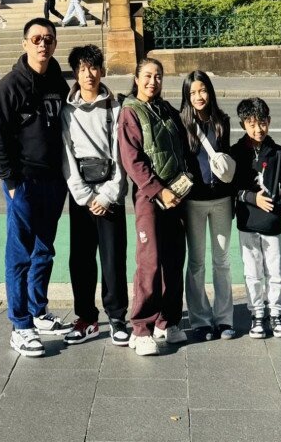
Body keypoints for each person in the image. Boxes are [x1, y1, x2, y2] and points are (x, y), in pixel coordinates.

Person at [0, 17, 70, 357]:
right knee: (20, 254)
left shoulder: (58, 82)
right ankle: (20, 325)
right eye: (36, 39)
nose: (42, 44)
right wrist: (10, 181)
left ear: (54, 44)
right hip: (23, 181)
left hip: (54, 179)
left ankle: (38, 310)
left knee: (44, 250)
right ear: (24, 44)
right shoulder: (9, 87)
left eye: (48, 39)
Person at [118, 57, 190, 356]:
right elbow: (132, 160)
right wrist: (159, 191)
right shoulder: (130, 112)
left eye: (158, 76)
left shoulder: (166, 110)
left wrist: (180, 186)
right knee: (149, 262)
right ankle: (141, 328)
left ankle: (167, 321)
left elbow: (182, 148)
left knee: (174, 260)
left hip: (176, 196)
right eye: (147, 76)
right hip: (150, 198)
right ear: (136, 78)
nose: (153, 81)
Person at [61, 44, 129, 347]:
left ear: (102, 70)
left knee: (113, 260)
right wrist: (86, 197)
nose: (88, 74)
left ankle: (117, 318)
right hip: (82, 197)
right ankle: (86, 318)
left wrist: (109, 195)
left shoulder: (116, 107)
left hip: (110, 195)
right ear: (75, 73)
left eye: (93, 67)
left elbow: (122, 155)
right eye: (82, 69)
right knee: (81, 260)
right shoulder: (68, 111)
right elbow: (66, 157)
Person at [230, 96, 281, 340]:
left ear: (269, 121)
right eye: (252, 124)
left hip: (272, 223)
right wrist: (251, 198)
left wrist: (279, 207)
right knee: (252, 272)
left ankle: (276, 313)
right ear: (243, 125)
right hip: (247, 222)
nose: (258, 129)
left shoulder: (278, 153)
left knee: (275, 271)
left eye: (263, 123)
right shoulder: (236, 153)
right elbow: (231, 186)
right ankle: (257, 314)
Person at [179, 71, 236, 342]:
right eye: (192, 93)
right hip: (194, 202)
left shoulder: (222, 121)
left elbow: (226, 159)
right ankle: (200, 319)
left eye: (202, 90)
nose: (198, 97)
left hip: (222, 200)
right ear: (186, 96)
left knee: (222, 261)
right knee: (196, 263)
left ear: (210, 92)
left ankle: (225, 319)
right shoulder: (183, 124)